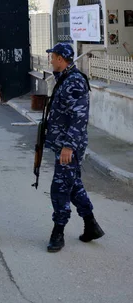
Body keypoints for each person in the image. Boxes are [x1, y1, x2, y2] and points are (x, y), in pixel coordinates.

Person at [44, 42, 104, 253]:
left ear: (61, 58)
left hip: (69, 147)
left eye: (52, 56)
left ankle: (58, 232)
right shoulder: (65, 78)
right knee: (74, 185)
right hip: (62, 144)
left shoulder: (75, 82)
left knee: (59, 188)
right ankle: (91, 225)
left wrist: (68, 146)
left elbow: (79, 118)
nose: (50, 59)